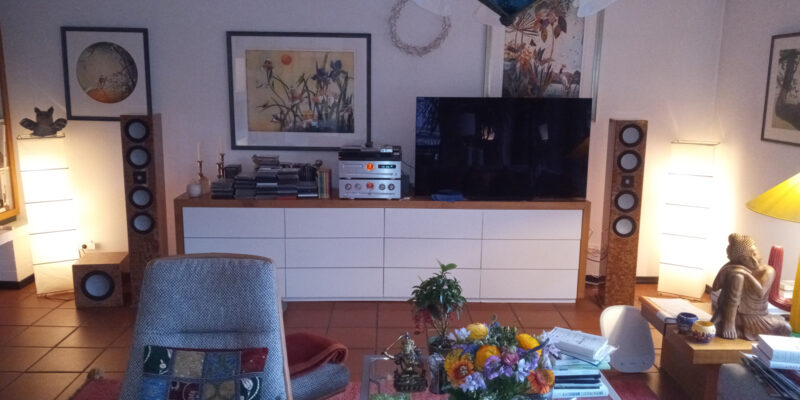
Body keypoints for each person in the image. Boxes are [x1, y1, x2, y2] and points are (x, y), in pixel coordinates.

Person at [711, 233, 791, 340]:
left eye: (754, 253)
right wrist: (727, 267)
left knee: (785, 327)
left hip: (757, 317)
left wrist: (746, 274)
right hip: (734, 316)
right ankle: (729, 324)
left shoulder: (768, 270)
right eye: (745, 259)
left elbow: (760, 292)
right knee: (737, 276)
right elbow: (715, 287)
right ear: (738, 260)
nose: (754, 260)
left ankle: (735, 329)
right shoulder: (735, 269)